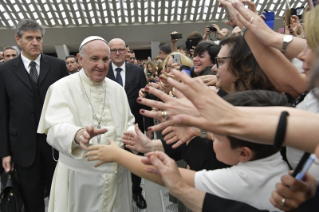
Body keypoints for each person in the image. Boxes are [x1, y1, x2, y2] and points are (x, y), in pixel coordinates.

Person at [37, 36, 135, 212]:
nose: (101, 65)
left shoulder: (117, 89)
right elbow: (54, 128)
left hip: (117, 173)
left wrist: (133, 134)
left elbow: (128, 122)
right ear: (80, 59)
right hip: (80, 178)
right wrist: (77, 134)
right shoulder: (61, 87)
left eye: (105, 59)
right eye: (94, 59)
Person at [0, 19, 68, 212]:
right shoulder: (4, 71)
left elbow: (67, 106)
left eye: (38, 38)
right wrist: (5, 152)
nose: (35, 42)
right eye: (29, 38)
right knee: (31, 199)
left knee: (60, 193)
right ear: (18, 39)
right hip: (22, 147)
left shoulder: (57, 66)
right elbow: (2, 112)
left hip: (54, 146)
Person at [106, 38, 147, 209]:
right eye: (113, 50)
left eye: (120, 49)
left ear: (126, 51)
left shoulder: (137, 71)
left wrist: (149, 128)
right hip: (109, 127)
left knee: (136, 160)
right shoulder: (102, 70)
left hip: (135, 125)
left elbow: (146, 100)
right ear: (109, 52)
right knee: (113, 161)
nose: (117, 53)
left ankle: (137, 191)